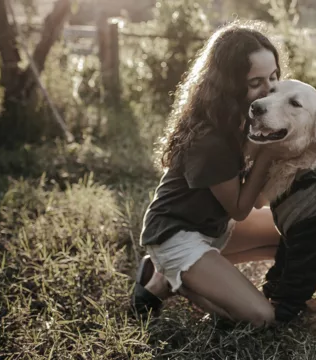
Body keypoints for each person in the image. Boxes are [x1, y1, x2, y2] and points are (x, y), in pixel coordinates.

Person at [131, 21, 282, 328]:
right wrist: (267, 151)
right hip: (175, 235)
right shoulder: (210, 138)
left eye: (274, 77)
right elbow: (240, 209)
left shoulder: (247, 119)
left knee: (295, 231)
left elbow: (260, 200)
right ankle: (174, 279)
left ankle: (179, 275)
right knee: (260, 318)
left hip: (213, 229)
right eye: (256, 83)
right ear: (230, 85)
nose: (269, 91)